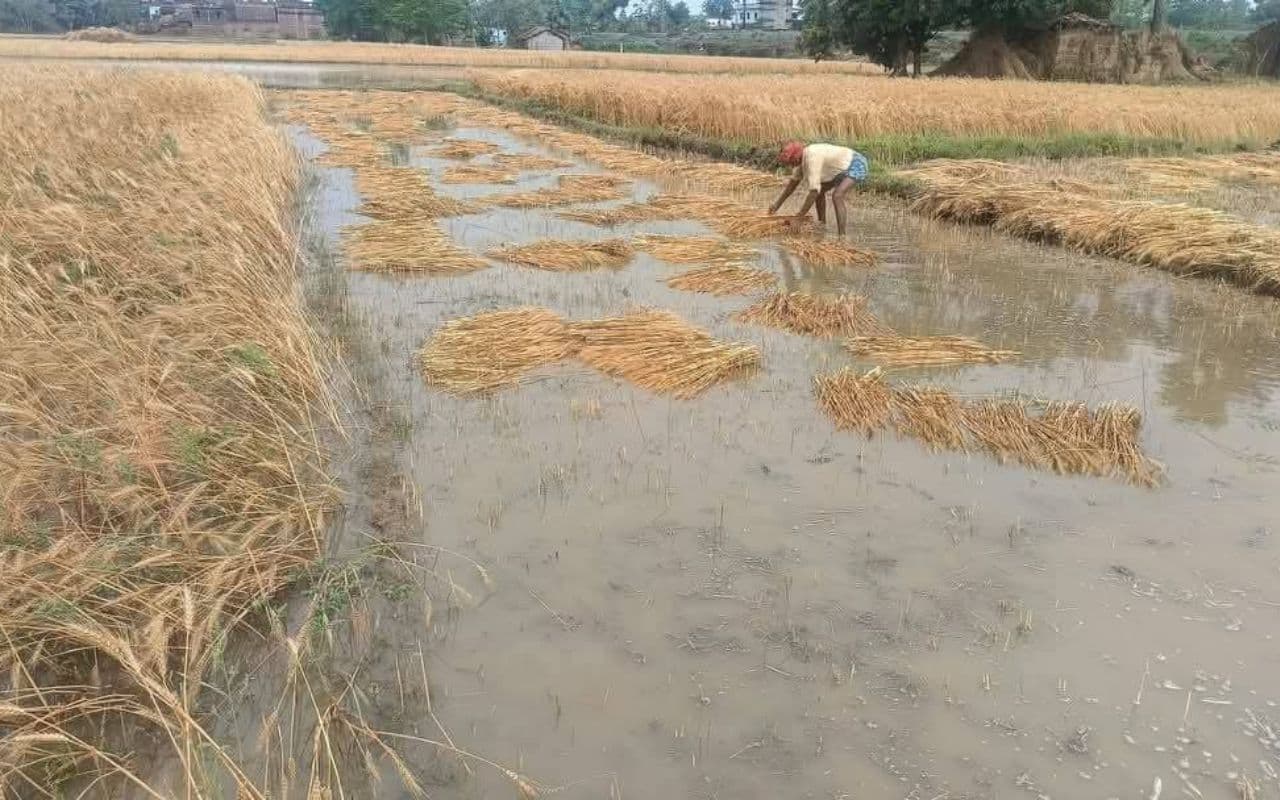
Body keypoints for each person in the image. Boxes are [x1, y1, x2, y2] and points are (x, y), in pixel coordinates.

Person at [768, 140, 869, 236]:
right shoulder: (802, 161)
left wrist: (799, 217)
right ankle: (822, 225)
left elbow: (814, 191)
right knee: (820, 193)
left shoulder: (812, 158)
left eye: (791, 163)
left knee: (837, 196)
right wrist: (776, 205)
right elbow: (792, 185)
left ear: (795, 158)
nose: (791, 166)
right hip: (839, 169)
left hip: (855, 163)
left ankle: (842, 236)